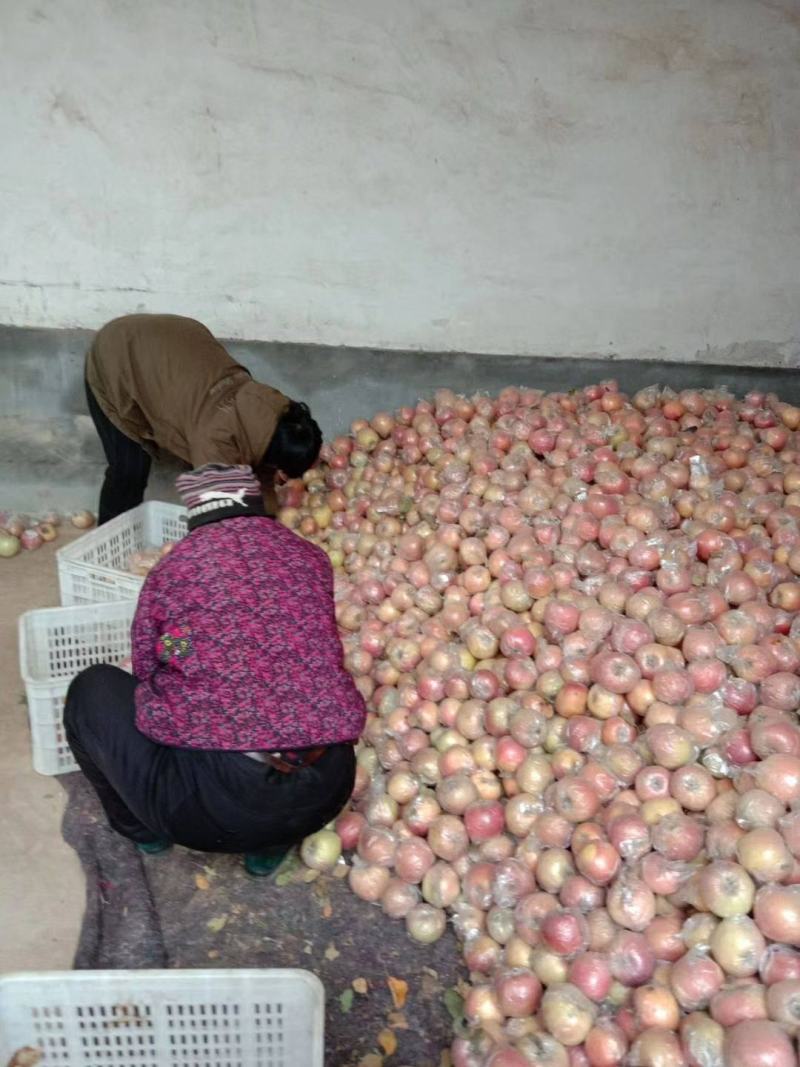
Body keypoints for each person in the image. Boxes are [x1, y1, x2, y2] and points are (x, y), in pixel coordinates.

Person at [64, 464, 366, 876]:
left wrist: (191, 651)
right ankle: (269, 852)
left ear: (196, 514)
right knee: (293, 724)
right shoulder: (309, 558)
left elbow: (151, 664)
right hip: (328, 788)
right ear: (258, 506)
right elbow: (313, 641)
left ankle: (143, 831)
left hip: (212, 808)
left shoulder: (176, 571)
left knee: (90, 689)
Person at [85, 313, 322, 524]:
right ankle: (103, 547)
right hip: (116, 356)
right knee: (129, 470)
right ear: (275, 457)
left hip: (166, 343)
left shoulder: (272, 410)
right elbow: (214, 521)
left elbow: (261, 471)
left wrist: (269, 517)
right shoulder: (213, 439)